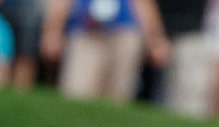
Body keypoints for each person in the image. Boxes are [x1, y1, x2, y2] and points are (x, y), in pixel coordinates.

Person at [39, 0, 170, 102]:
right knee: (76, 93)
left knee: (119, 96)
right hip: (86, 33)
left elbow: (143, 3)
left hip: (124, 32)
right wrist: (53, 31)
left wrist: (155, 39)